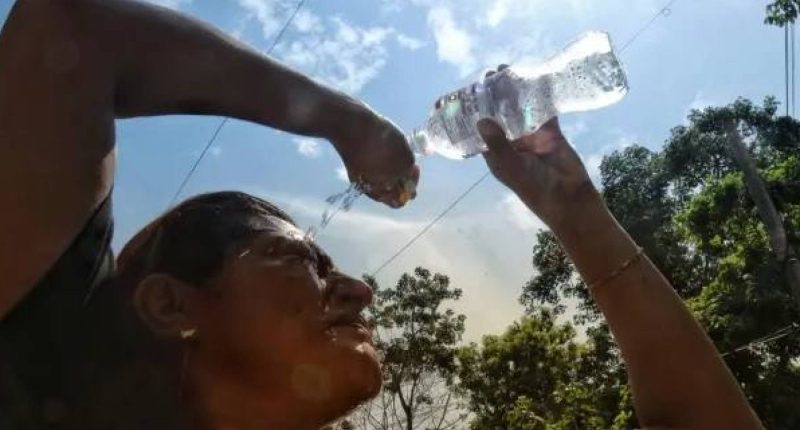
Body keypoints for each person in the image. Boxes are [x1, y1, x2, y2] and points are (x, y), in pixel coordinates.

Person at [0, 1, 765, 430]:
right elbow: (70, 31)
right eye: (302, 260)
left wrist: (577, 214)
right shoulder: (37, 372)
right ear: (169, 304)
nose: (364, 293)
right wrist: (344, 120)